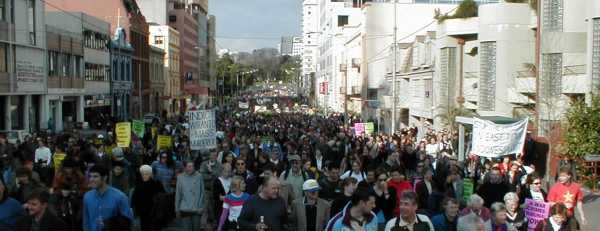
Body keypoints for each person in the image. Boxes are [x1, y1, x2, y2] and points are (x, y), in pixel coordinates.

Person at [83, 164, 133, 231]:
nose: (91, 179)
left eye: (95, 176)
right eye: (90, 176)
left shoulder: (120, 197)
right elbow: (86, 221)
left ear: (105, 178)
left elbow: (127, 222)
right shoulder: (87, 196)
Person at [131, 165, 165, 231]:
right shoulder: (139, 183)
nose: (144, 176)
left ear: (150, 174)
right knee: (144, 226)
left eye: (147, 174)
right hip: (142, 210)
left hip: (153, 210)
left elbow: (162, 196)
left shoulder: (156, 184)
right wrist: (133, 206)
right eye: (143, 174)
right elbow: (135, 196)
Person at [175, 161, 205, 231]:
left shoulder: (199, 176)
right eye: (189, 166)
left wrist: (201, 207)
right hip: (184, 208)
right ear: (185, 167)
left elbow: (202, 193)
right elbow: (178, 194)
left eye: (192, 166)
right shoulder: (180, 177)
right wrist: (177, 209)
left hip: (196, 208)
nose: (191, 168)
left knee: (196, 229)